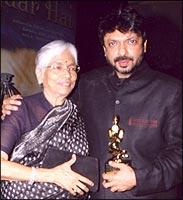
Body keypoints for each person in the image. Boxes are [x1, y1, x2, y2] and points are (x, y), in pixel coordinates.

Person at [2, 6, 182, 199]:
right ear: (105, 50)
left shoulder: (171, 91)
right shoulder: (87, 83)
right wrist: (10, 104)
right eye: (113, 43)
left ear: (144, 45)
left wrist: (140, 179)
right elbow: (52, 102)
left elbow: (179, 153)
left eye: (131, 41)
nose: (122, 51)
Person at [1, 40, 94, 199]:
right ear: (40, 74)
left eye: (72, 68)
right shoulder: (21, 109)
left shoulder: (77, 113)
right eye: (58, 67)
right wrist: (51, 176)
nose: (67, 74)